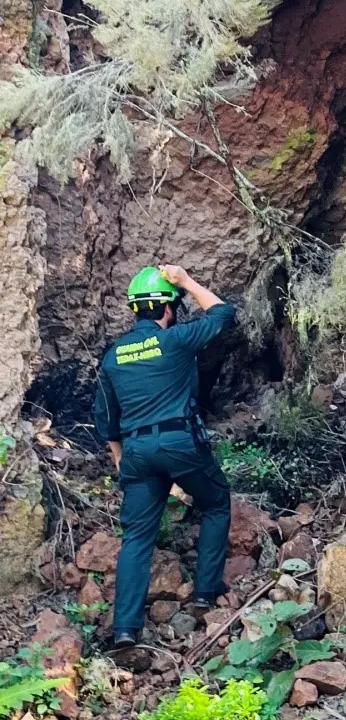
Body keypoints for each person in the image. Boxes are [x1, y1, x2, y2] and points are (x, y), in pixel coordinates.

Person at [93, 265, 236, 649]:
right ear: (168, 308)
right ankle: (205, 592)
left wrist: (120, 458)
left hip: (137, 452)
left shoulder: (113, 356)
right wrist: (186, 281)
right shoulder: (175, 341)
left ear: (135, 309)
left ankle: (125, 629)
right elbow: (223, 314)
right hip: (179, 443)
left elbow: (106, 418)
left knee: (137, 537)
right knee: (216, 502)